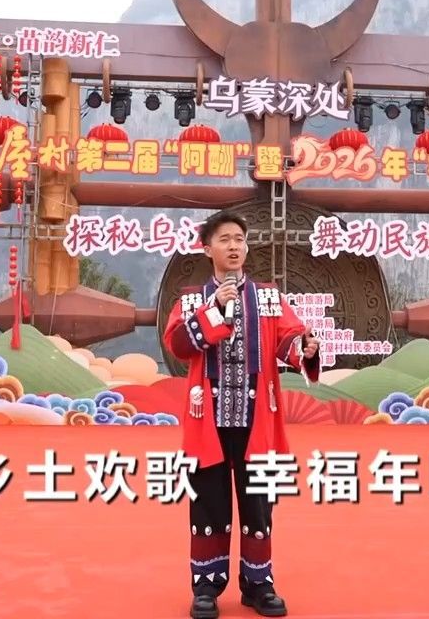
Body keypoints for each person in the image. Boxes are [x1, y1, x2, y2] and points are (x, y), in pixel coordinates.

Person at [163, 211, 321, 619]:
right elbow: (178, 344)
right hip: (207, 420)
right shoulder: (191, 300)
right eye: (225, 239)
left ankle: (258, 584)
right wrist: (215, 308)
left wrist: (304, 347)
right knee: (207, 505)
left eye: (239, 239)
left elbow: (289, 337)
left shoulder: (268, 297)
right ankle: (206, 587)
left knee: (258, 505)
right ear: (207, 249)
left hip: (257, 419)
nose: (234, 246)